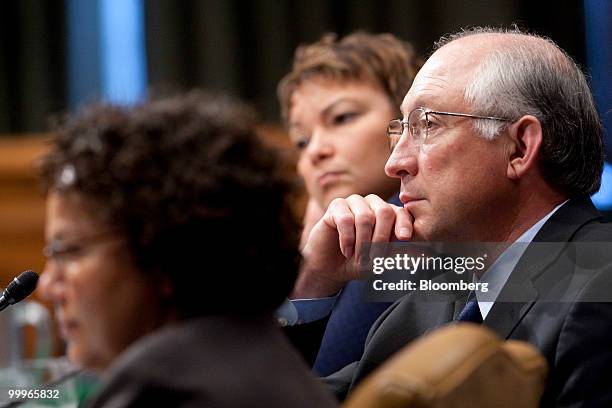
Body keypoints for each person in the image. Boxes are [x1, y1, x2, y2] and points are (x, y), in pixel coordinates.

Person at [292, 27, 612, 407]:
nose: (395, 163)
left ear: (519, 147)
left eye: (426, 125)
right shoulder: (424, 305)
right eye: (401, 131)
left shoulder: (600, 288)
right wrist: (313, 281)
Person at [37, 92, 337, 407]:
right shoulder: (268, 360)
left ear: (163, 251)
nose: (47, 286)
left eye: (69, 252)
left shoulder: (161, 389)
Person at [277, 32, 422, 375]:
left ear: (410, 121)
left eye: (341, 118)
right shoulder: (330, 243)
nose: (315, 151)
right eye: (301, 141)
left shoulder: (405, 232)